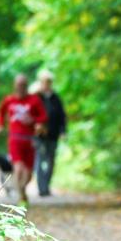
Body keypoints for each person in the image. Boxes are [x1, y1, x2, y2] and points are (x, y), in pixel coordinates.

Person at [0, 73, 48, 205]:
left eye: (24, 85)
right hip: (15, 139)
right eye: (19, 85)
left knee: (29, 174)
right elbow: (1, 112)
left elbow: (44, 117)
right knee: (18, 169)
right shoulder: (9, 100)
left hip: (30, 140)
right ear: (15, 85)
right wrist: (1, 125)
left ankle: (23, 190)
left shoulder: (34, 100)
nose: (21, 87)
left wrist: (33, 120)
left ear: (27, 85)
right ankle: (21, 196)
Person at [34, 69, 67, 197]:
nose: (46, 84)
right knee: (40, 160)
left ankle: (46, 185)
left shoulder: (56, 98)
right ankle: (42, 188)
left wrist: (63, 131)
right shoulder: (36, 97)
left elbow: (62, 116)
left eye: (48, 81)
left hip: (53, 135)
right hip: (39, 136)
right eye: (44, 81)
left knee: (51, 161)